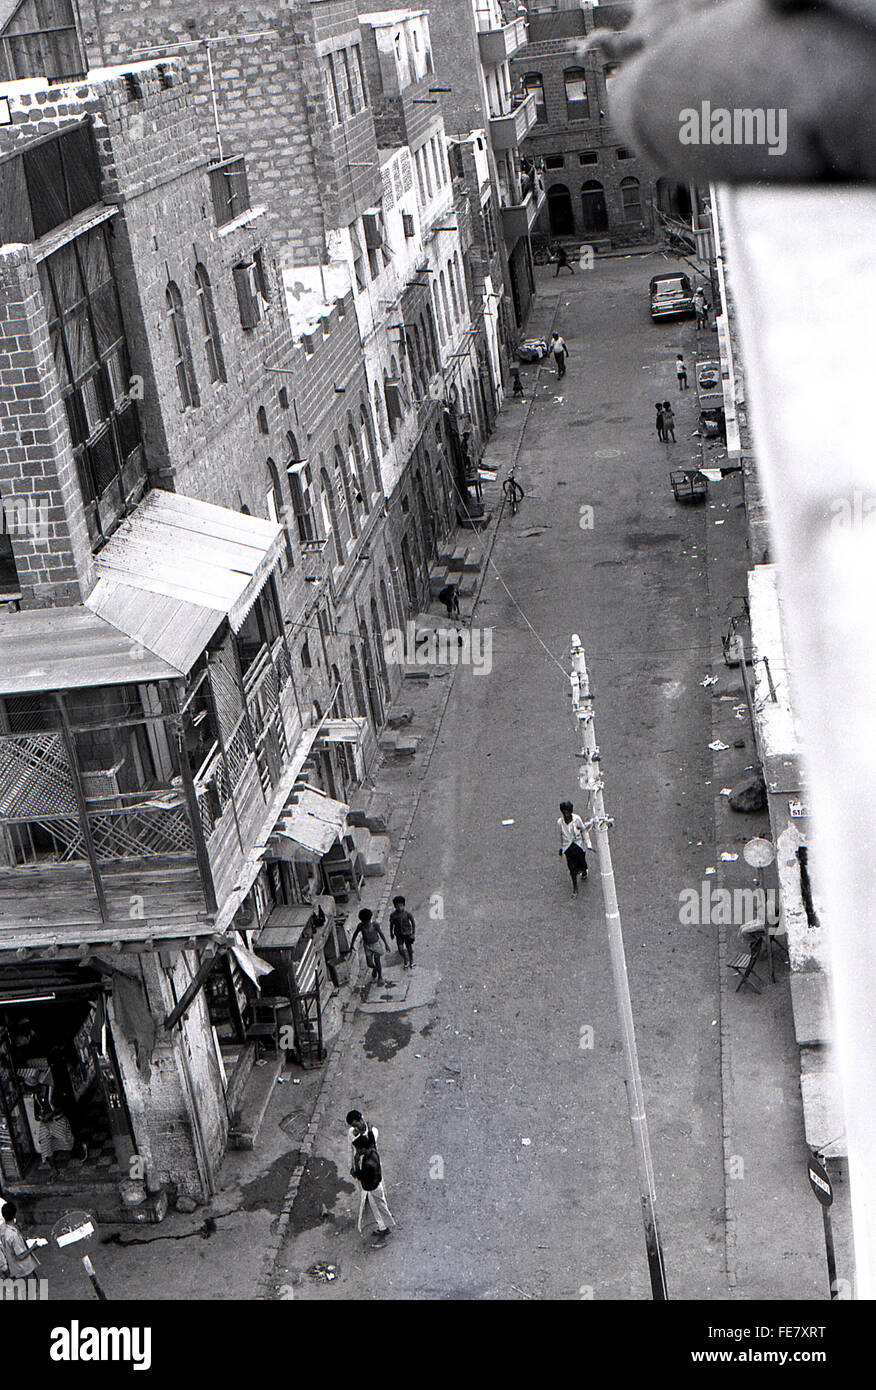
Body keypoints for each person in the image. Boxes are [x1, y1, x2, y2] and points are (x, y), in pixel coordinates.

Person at [346, 1111, 395, 1242]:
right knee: (371, 1199)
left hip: (370, 1171)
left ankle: (383, 1226)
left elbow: (366, 1146)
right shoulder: (352, 1133)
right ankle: (380, 1223)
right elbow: (354, 1150)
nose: (355, 1128)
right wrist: (354, 1165)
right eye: (353, 1126)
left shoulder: (373, 1132)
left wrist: (361, 1136)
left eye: (357, 1124)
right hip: (363, 1169)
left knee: (375, 1198)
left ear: (361, 1119)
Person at [557, 800, 592, 897]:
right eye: (564, 812)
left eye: (568, 812)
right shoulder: (560, 822)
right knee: (572, 869)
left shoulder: (577, 819)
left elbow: (584, 830)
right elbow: (560, 836)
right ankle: (575, 888)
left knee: (582, 863)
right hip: (568, 847)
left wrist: (588, 843)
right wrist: (561, 848)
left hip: (578, 845)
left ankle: (584, 870)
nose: (566, 814)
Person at [0, 1201, 39, 1281]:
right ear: (15, 1215)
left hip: (14, 1267)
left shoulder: (3, 1230)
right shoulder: (13, 1235)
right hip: (23, 1268)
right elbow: (20, 1256)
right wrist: (33, 1247)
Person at [350, 908, 390, 983]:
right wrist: (352, 945)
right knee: (369, 963)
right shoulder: (361, 926)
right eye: (364, 922)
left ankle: (380, 976)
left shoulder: (375, 925)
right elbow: (355, 934)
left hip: (376, 945)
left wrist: (386, 944)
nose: (366, 924)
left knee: (377, 961)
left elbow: (381, 934)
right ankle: (374, 968)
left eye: (367, 922)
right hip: (367, 946)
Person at [389, 895, 416, 969]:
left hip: (407, 934)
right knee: (400, 949)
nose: (399, 908)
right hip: (399, 934)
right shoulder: (393, 915)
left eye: (401, 905)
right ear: (395, 906)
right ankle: (405, 959)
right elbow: (391, 924)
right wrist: (391, 932)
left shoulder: (407, 914)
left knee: (409, 948)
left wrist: (413, 933)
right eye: (397, 906)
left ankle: (411, 961)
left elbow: (413, 923)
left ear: (404, 905)